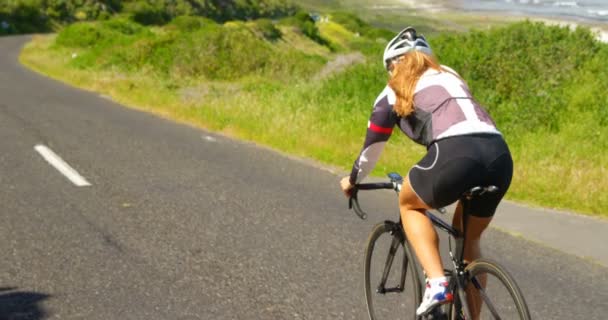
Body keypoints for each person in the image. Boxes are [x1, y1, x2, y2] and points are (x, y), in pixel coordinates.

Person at [339, 27, 513, 318]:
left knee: (409, 202)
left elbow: (372, 149)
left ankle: (436, 283)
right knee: (468, 239)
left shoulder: (390, 93)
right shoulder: (450, 74)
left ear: (393, 65)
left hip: (456, 153)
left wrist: (353, 180)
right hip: (499, 154)